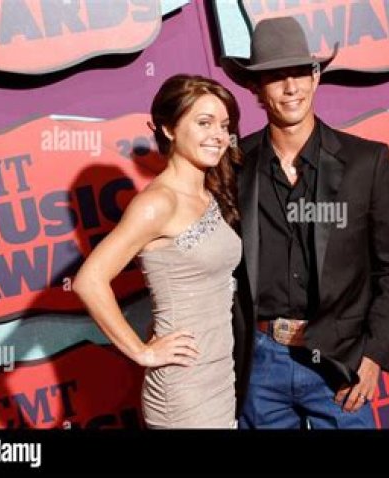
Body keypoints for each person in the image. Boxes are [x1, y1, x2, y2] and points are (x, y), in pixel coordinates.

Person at [222, 16, 389, 429]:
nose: (291, 87)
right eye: (276, 77)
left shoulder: (367, 162)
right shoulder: (234, 167)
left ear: (315, 78)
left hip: (339, 361)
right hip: (260, 365)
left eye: (299, 72)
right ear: (255, 88)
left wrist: (375, 356)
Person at [73, 75, 242, 428]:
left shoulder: (208, 193)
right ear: (168, 129)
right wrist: (142, 351)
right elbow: (89, 281)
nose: (218, 135)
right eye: (204, 123)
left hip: (219, 376)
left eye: (224, 125)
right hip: (184, 385)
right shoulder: (157, 203)